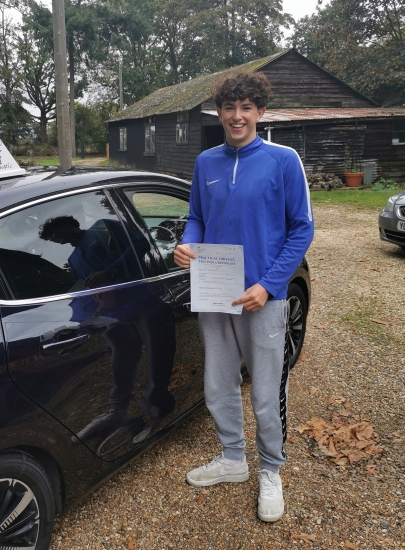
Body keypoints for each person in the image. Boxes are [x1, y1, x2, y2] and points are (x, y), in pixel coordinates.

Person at [174, 72, 314, 522]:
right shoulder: (205, 163)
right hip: (215, 292)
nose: (237, 116)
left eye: (246, 107)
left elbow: (301, 229)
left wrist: (269, 285)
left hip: (262, 297)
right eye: (229, 108)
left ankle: (271, 470)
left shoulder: (282, 160)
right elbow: (196, 216)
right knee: (218, 384)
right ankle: (233, 459)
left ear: (260, 111)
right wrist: (186, 242)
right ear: (219, 113)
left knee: (268, 390)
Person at [40, 215, 176, 453]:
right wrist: (96, 306)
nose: (59, 239)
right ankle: (122, 415)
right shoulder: (74, 259)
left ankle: (158, 411)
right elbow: (88, 288)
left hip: (143, 302)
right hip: (113, 315)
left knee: (157, 359)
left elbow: (141, 245)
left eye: (58, 233)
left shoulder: (104, 227)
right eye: (54, 240)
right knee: (121, 364)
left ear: (68, 223)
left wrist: (109, 273)